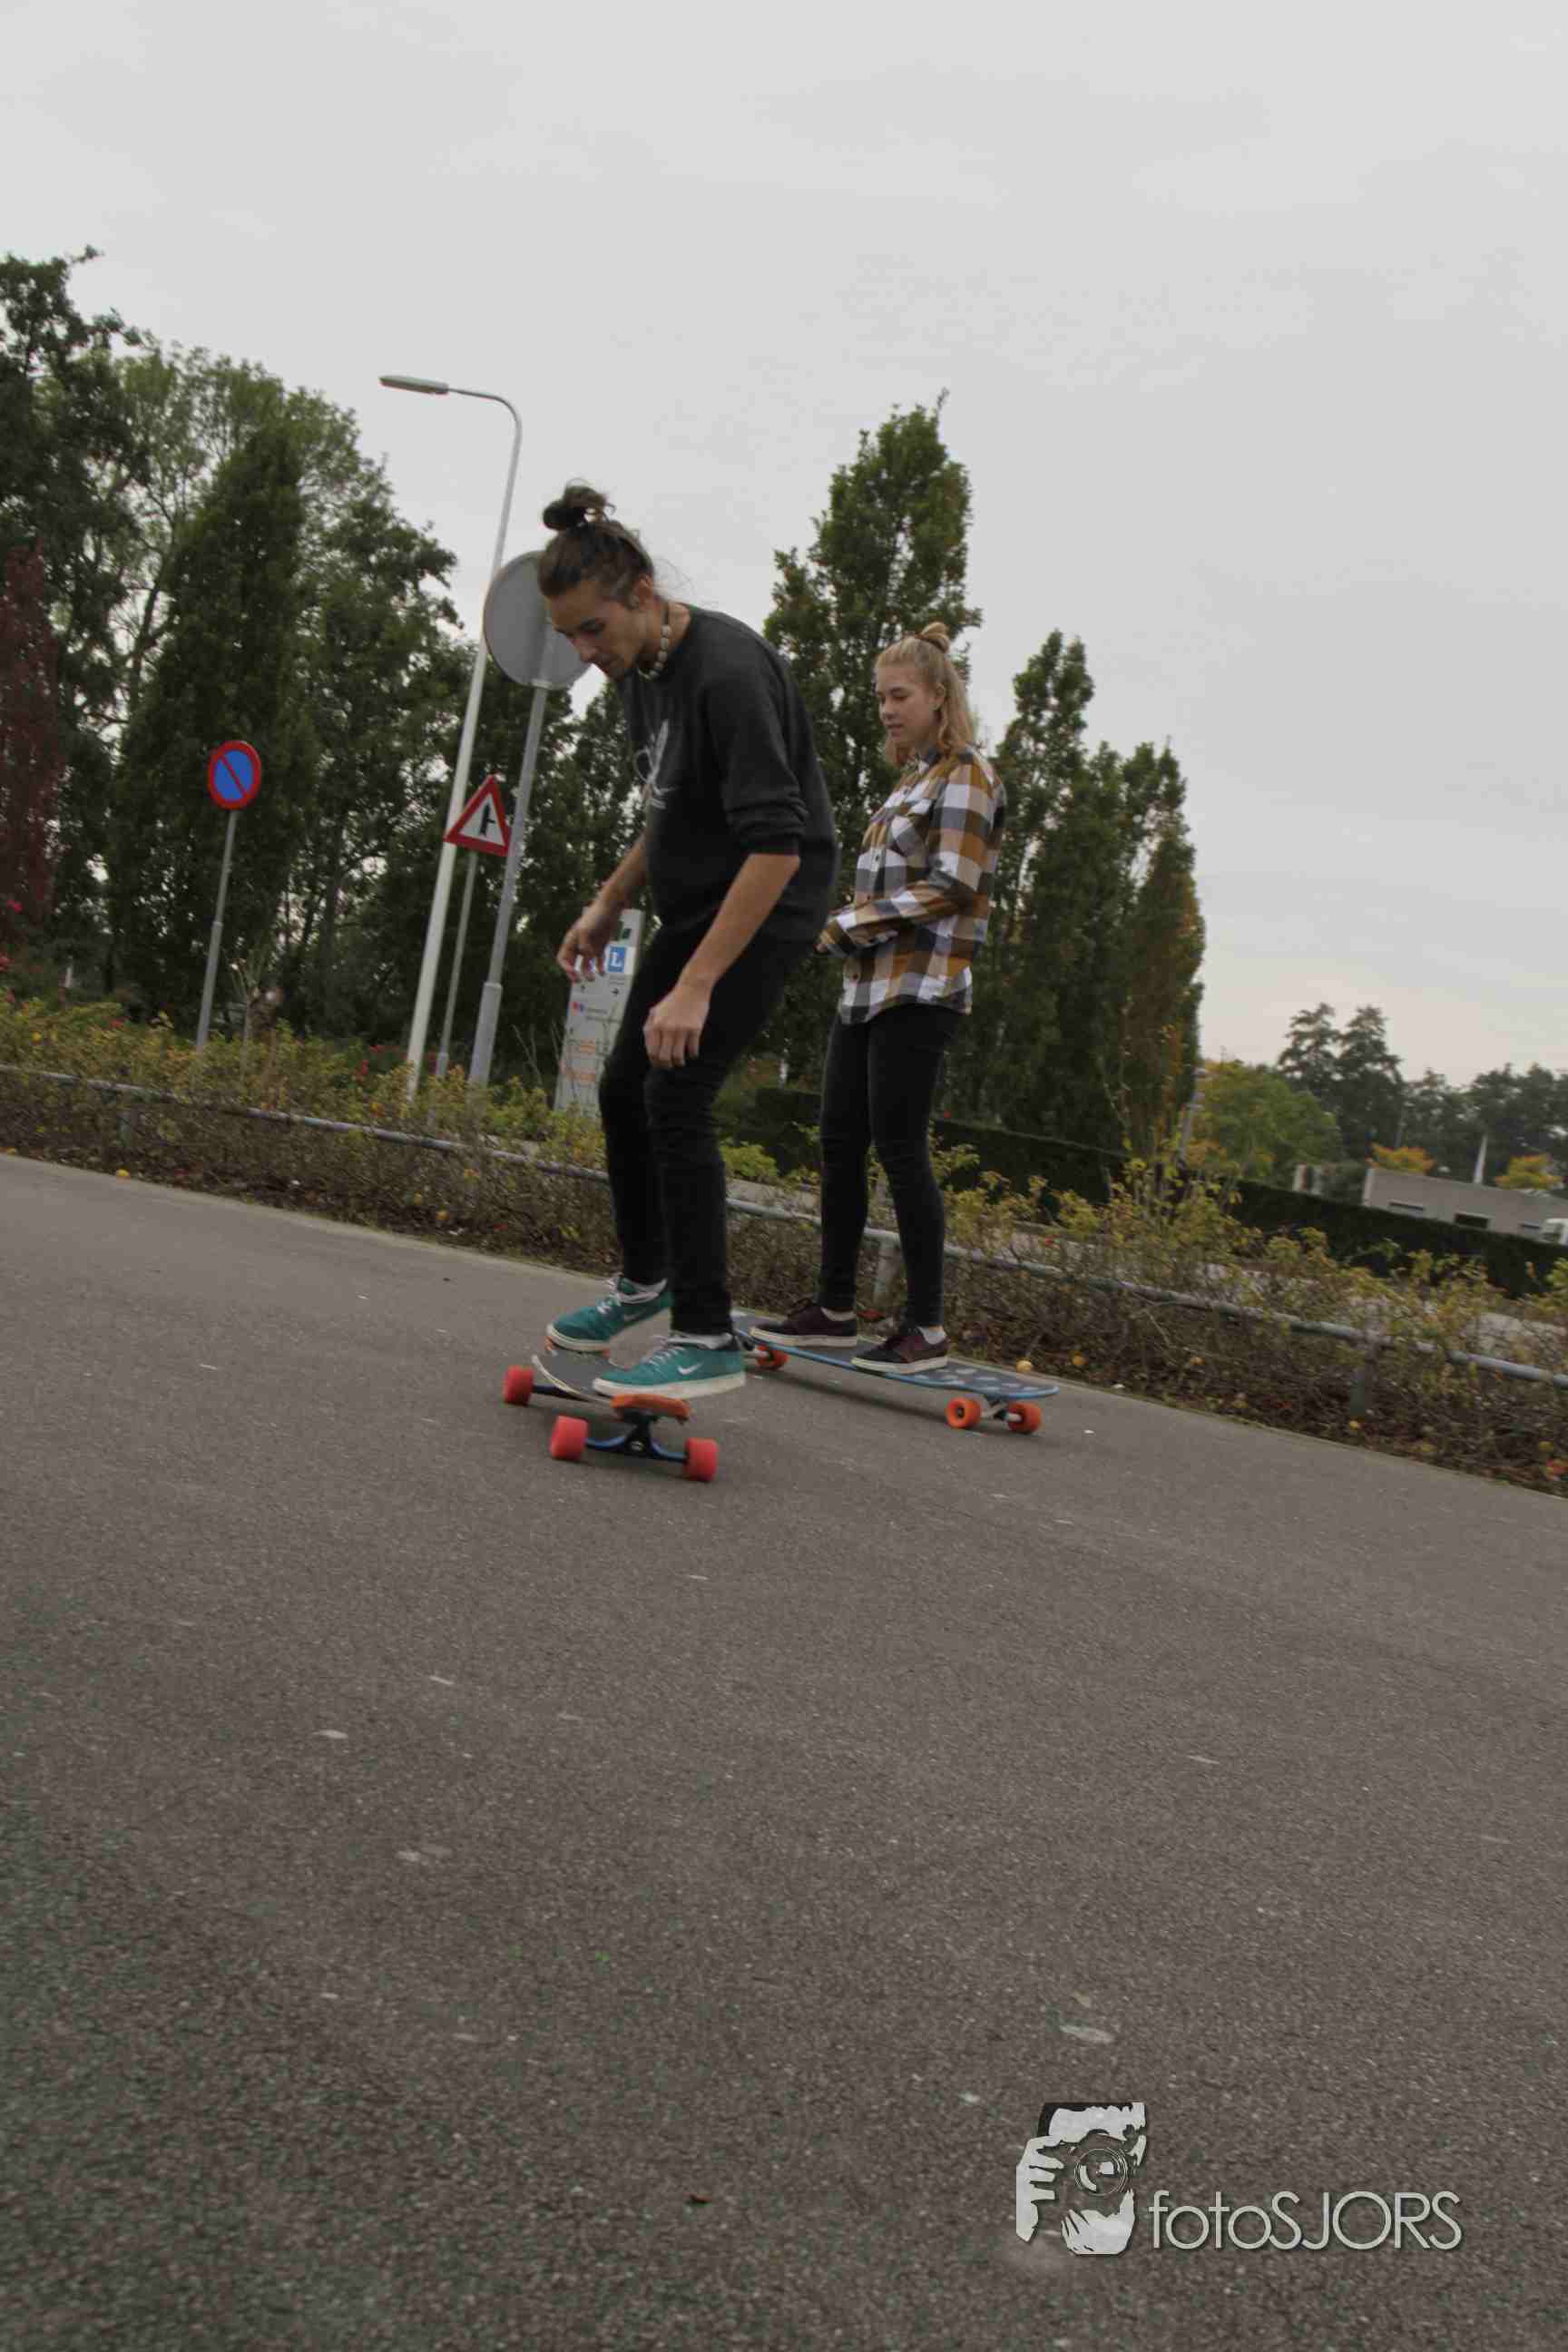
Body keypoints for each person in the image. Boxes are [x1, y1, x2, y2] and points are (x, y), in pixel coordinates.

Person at [539, 484, 837, 1399]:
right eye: (569, 638)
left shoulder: (727, 673)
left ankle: (705, 1335)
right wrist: (608, 900)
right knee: (622, 1089)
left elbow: (778, 848)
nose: (586, 654)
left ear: (640, 592)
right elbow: (669, 810)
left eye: (593, 630)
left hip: (768, 901)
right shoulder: (645, 675)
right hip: (698, 904)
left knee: (677, 1092)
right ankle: (649, 1279)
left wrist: (698, 985)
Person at [750, 622, 1004, 1371]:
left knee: (900, 1149)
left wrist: (849, 925)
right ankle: (833, 1309)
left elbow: (954, 883)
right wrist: (847, 929)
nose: (887, 710)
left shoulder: (967, 775)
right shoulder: (910, 781)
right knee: (838, 1143)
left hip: (922, 990)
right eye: (880, 698)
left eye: (900, 696)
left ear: (938, 698)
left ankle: (925, 1327)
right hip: (867, 989)